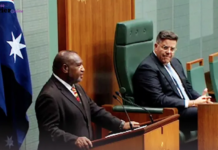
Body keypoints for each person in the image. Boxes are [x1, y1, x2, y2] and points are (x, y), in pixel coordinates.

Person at [35, 50, 140, 150]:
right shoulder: (49, 96)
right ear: (65, 68)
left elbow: (95, 111)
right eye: (78, 65)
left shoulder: (76, 87)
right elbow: (49, 131)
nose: (83, 69)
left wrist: (120, 125)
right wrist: (74, 140)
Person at [133, 30, 212, 133]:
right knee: (212, 114)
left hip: (188, 108)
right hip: (172, 114)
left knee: (213, 109)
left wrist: (203, 100)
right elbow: (158, 99)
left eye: (172, 49)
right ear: (156, 46)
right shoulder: (147, 68)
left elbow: (188, 88)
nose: (169, 52)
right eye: (165, 47)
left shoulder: (175, 62)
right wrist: (192, 103)